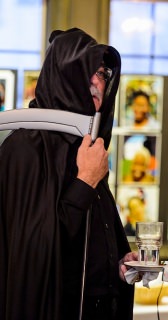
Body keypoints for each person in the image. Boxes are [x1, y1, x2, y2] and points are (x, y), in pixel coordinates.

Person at [0, 28, 138, 320]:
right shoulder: (26, 146)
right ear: (63, 77)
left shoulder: (88, 145)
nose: (96, 83)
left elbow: (90, 233)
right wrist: (85, 181)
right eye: (84, 71)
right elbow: (33, 254)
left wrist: (119, 261)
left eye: (101, 74)